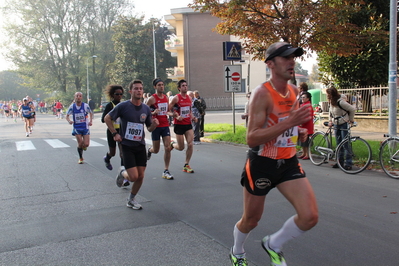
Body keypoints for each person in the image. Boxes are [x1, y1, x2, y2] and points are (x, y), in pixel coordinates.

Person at [229, 42, 318, 266]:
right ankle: (237, 251)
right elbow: (252, 137)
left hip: (288, 161)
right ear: (270, 63)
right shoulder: (261, 94)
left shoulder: (295, 91)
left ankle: (274, 244)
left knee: (310, 217)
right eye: (286, 58)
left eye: (293, 58)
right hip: (262, 163)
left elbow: (287, 125)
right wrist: (290, 122)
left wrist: (299, 130)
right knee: (251, 220)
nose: (292, 62)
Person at [104, 79, 159, 210]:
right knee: (133, 177)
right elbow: (107, 118)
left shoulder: (145, 108)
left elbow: (149, 128)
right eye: (136, 88)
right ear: (131, 91)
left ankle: (131, 199)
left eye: (140, 88)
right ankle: (122, 172)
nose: (139, 90)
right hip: (127, 146)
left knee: (141, 176)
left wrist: (154, 125)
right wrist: (114, 134)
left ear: (143, 91)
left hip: (140, 146)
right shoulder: (123, 106)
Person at [146, 78, 174, 180]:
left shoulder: (166, 98)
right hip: (155, 126)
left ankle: (166, 170)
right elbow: (144, 111)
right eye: (159, 85)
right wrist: (153, 113)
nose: (161, 86)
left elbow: (167, 111)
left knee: (167, 147)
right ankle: (150, 150)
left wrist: (174, 115)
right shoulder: (152, 99)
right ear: (155, 87)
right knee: (156, 150)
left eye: (162, 85)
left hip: (165, 125)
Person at [169, 79, 197, 173]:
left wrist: (193, 117)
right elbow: (168, 110)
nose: (185, 87)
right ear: (179, 88)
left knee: (190, 144)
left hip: (188, 124)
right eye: (183, 86)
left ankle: (186, 164)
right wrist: (176, 115)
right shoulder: (176, 98)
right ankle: (172, 144)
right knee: (181, 147)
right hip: (178, 124)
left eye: (186, 85)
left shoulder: (189, 98)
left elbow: (189, 111)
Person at [327, 86, 356, 170]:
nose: (327, 96)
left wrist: (350, 120)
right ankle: (340, 162)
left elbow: (352, 109)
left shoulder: (340, 102)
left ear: (331, 95)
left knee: (345, 143)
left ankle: (348, 163)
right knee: (338, 143)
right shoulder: (331, 101)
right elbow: (330, 111)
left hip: (343, 123)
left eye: (328, 94)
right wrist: (330, 121)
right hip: (336, 123)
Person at [101, 85, 125, 175]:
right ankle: (107, 158)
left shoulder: (123, 105)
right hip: (112, 131)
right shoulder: (110, 105)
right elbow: (103, 119)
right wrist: (112, 116)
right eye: (117, 94)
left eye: (121, 94)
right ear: (113, 95)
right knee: (113, 152)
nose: (119, 96)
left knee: (123, 153)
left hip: (121, 131)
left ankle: (123, 174)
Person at [66, 92, 93, 164]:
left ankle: (84, 146)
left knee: (86, 144)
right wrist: (69, 121)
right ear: (75, 97)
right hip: (77, 127)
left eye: (80, 96)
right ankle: (81, 158)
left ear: (82, 97)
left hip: (85, 127)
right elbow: (67, 115)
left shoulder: (85, 106)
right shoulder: (72, 106)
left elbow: (90, 112)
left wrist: (90, 121)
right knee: (80, 143)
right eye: (77, 96)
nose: (78, 97)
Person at [298, 91, 314, 160]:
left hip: (306, 126)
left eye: (304, 97)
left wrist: (301, 122)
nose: (302, 98)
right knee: (302, 141)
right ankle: (304, 153)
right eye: (301, 97)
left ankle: (307, 154)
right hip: (302, 125)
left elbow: (308, 117)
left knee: (306, 141)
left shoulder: (308, 106)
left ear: (308, 98)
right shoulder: (303, 105)